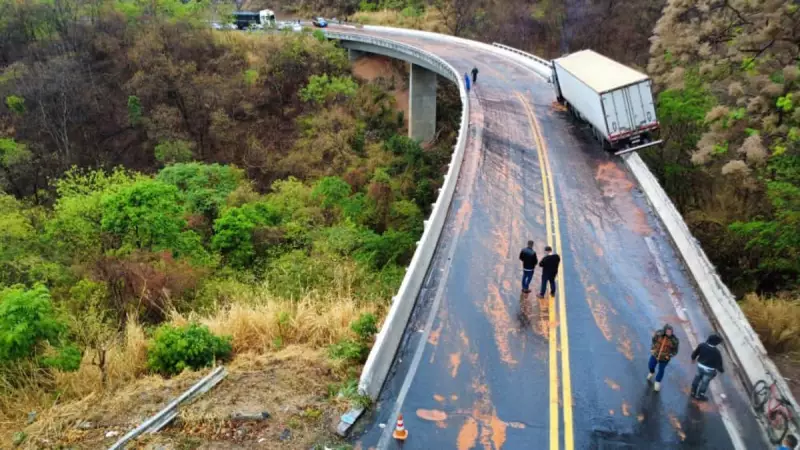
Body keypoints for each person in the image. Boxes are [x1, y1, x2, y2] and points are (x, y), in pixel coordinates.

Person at [690, 334, 724, 400]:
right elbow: (719, 363)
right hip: (709, 370)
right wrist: (721, 370)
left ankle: (693, 391)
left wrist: (693, 358)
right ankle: (700, 395)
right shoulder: (717, 352)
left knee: (697, 378)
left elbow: (695, 352)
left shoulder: (702, 345)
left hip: (700, 366)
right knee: (705, 382)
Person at [648, 324, 679, 392]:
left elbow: (675, 351)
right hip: (655, 354)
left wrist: (669, 355)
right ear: (665, 331)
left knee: (661, 370)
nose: (669, 333)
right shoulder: (658, 334)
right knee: (650, 365)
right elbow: (654, 340)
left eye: (670, 332)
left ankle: (657, 382)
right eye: (668, 331)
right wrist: (653, 348)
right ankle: (652, 372)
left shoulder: (674, 340)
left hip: (664, 358)